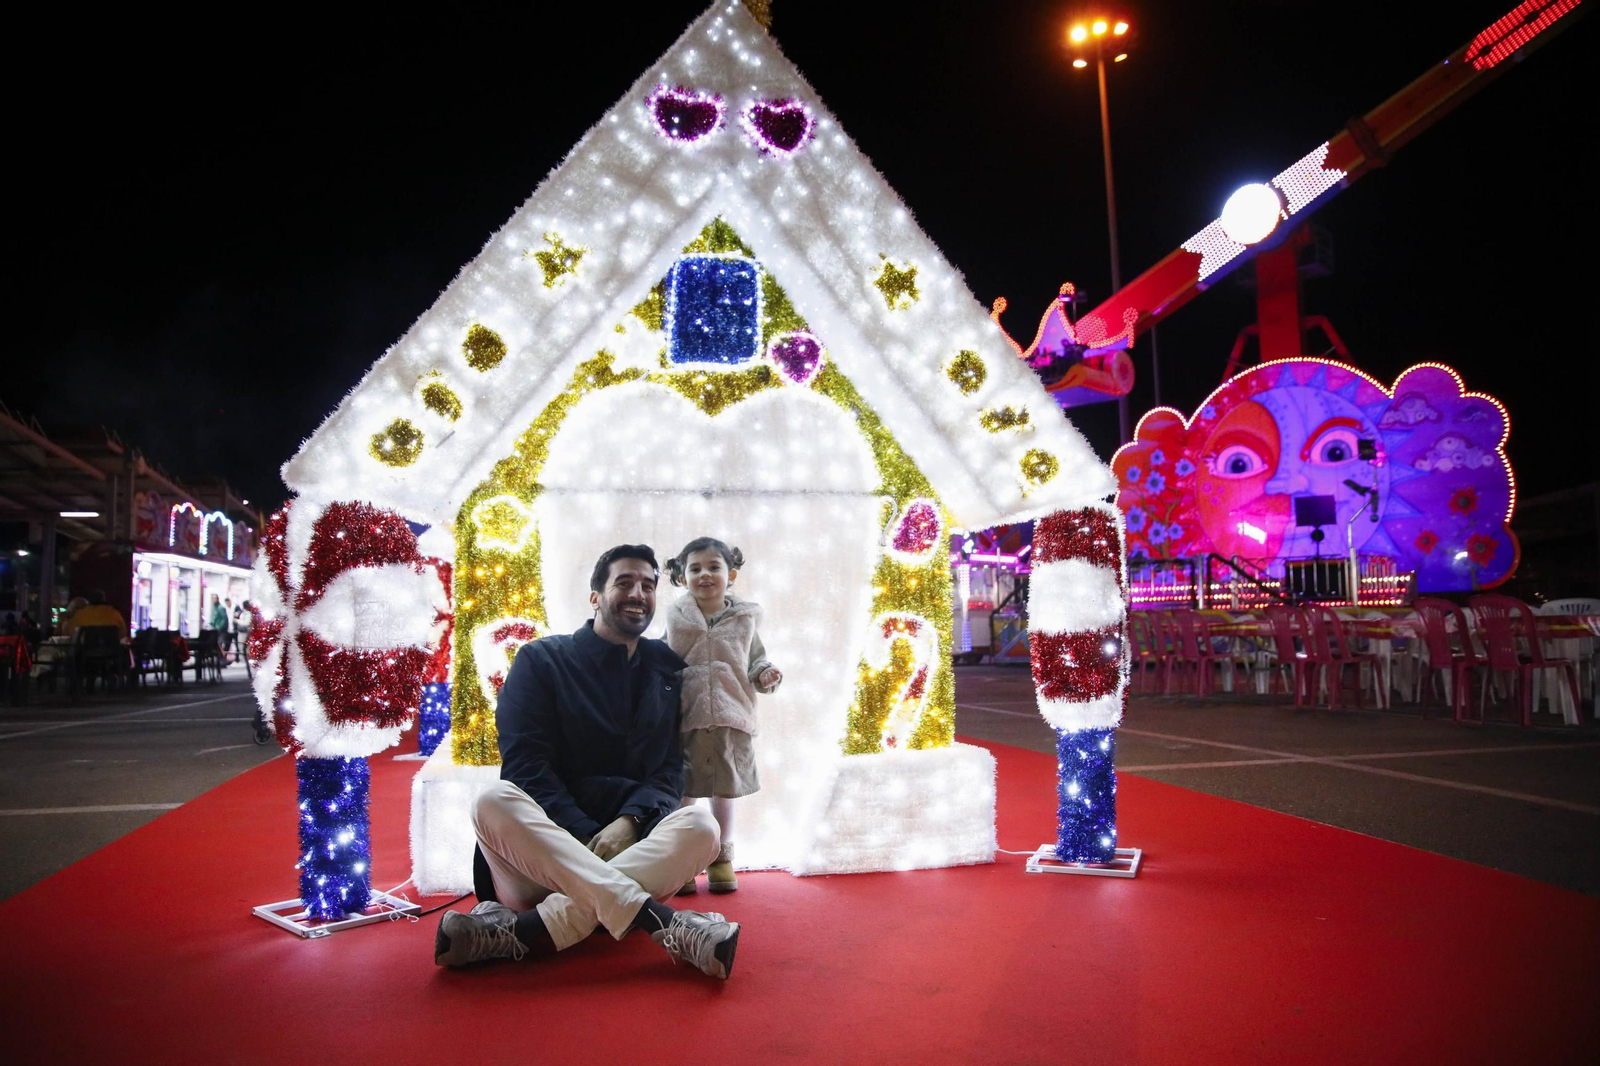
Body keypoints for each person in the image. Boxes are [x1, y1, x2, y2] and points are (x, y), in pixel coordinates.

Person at [435, 544, 741, 979]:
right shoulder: (541, 660)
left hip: (631, 851)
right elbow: (526, 766)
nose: (638, 593)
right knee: (493, 800)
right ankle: (663, 922)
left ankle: (524, 932)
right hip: (541, 863)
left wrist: (632, 822)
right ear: (595, 596)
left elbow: (669, 772)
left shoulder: (666, 670)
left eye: (648, 585)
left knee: (701, 827)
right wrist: (584, 835)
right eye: (624, 582)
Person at [664, 537, 781, 895]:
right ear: (682, 578)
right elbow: (662, 656)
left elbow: (756, 658)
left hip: (732, 716)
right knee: (686, 792)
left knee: (723, 791)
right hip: (688, 717)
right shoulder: (676, 618)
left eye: (714, 567)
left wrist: (766, 674)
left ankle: (721, 857)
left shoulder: (744, 620)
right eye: (695, 568)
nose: (705, 574)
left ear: (730, 574)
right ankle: (682, 861)